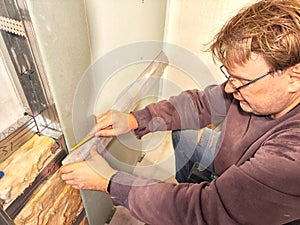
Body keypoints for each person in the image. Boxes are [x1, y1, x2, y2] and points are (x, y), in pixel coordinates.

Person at [60, 0, 300, 224]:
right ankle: (188, 188)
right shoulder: (255, 95)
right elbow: (202, 104)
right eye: (229, 76)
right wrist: (136, 119)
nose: (229, 87)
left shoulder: (291, 158)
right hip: (229, 166)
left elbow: (207, 209)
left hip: (255, 214)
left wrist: (110, 182)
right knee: (181, 133)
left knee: (196, 208)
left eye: (241, 81)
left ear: (293, 78)